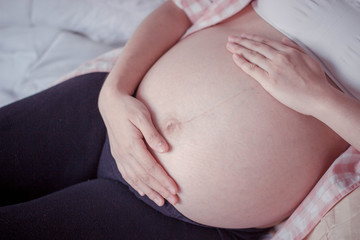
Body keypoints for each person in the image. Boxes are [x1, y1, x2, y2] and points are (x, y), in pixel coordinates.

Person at [1, 0, 359, 239]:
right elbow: (178, 9)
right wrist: (114, 95)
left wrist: (320, 97)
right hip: (101, 115)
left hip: (182, 218)